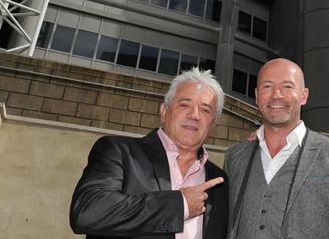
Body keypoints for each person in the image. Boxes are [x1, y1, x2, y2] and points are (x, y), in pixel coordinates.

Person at [70, 68, 229, 239]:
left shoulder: (219, 180)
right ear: (164, 111)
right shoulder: (119, 152)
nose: (194, 115)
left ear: (213, 125)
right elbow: (87, 212)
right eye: (184, 105)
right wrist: (180, 205)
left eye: (205, 110)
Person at [224, 58, 329, 239]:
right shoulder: (234, 157)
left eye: (287, 86)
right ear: (256, 95)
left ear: (304, 96)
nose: (277, 94)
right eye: (267, 86)